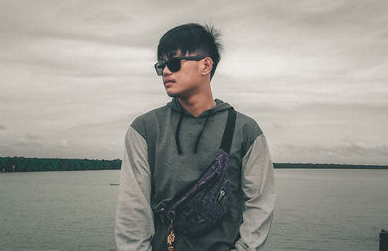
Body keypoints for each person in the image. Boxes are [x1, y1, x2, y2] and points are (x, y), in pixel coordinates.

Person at [115, 23, 275, 251]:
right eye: (161, 66)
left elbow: (260, 203)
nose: (166, 72)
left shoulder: (246, 130)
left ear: (205, 65)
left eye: (174, 63)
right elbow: (132, 210)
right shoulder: (144, 129)